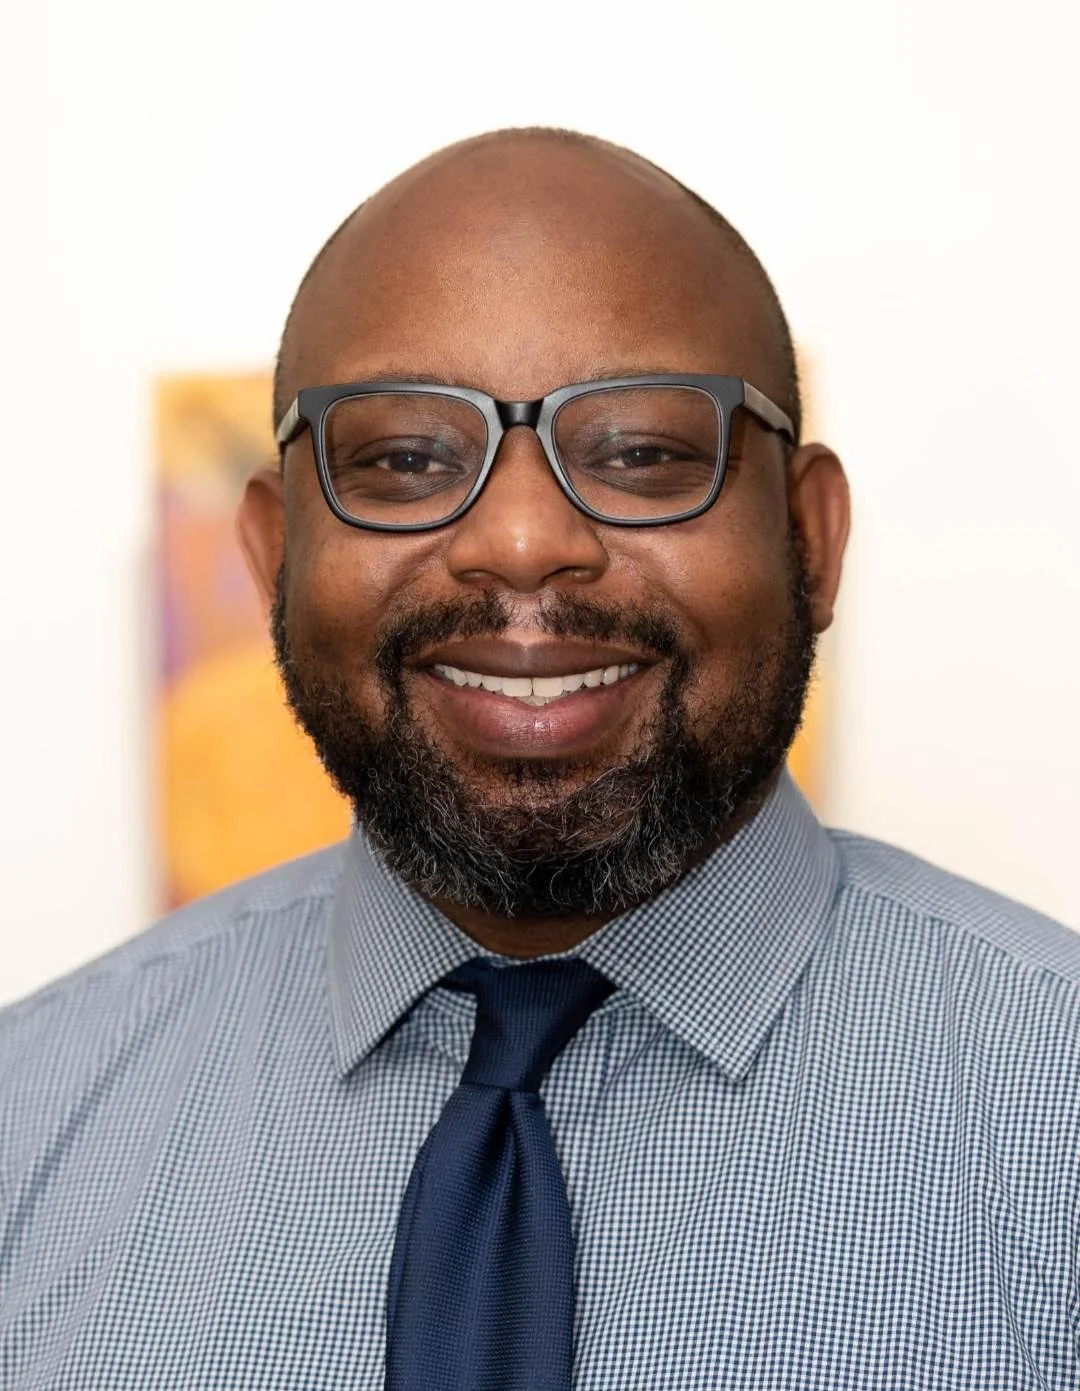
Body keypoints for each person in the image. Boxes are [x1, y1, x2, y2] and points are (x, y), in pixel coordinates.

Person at [2, 128, 1077, 1389]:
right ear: (268, 559)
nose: (520, 540)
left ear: (811, 538)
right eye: (404, 460)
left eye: (640, 452)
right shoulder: (30, 1116)